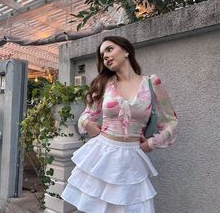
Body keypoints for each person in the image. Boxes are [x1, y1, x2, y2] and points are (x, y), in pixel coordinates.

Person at [61, 36, 178, 213]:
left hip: (133, 158)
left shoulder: (151, 83)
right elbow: (86, 115)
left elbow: (171, 121)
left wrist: (152, 143)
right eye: (102, 55)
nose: (105, 56)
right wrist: (88, 124)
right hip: (103, 153)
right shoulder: (104, 84)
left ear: (126, 50)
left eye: (109, 49)